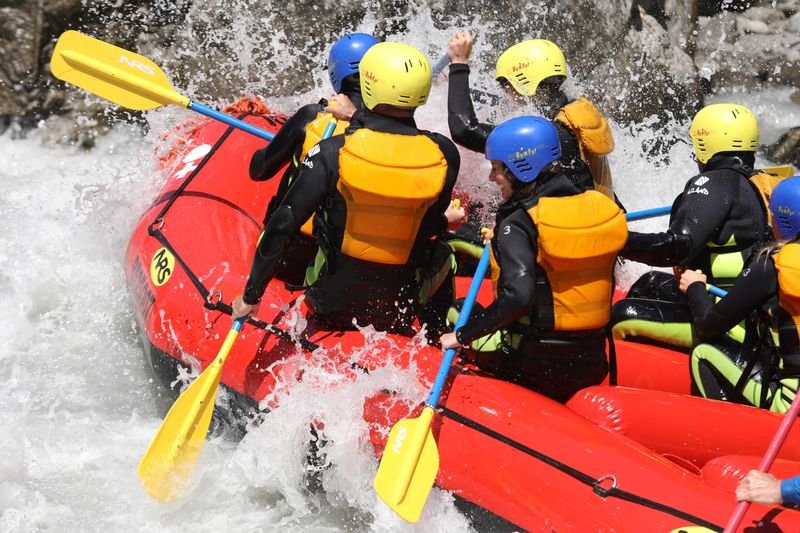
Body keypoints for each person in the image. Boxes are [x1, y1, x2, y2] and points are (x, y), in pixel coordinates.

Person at [232, 42, 463, 336]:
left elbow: (283, 224)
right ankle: (434, 337)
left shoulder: (333, 152)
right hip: (397, 310)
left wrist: (251, 296)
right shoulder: (445, 153)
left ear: (369, 88)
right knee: (443, 252)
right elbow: (429, 228)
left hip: (328, 302)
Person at [439, 116, 628, 402]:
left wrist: (462, 336)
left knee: (456, 310)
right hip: (591, 365)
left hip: (530, 367)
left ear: (519, 169)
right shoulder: (601, 209)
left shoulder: (518, 223)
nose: (492, 178)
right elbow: (652, 248)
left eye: (497, 168)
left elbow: (519, 296)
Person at [611, 103, 774, 350]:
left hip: (725, 320)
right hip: (741, 307)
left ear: (705, 145)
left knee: (623, 315)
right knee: (649, 283)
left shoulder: (716, 182)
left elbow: (677, 247)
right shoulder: (760, 181)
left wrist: (614, 241)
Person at [248, 33, 378, 285]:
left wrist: (271, 148)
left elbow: (259, 170)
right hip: (346, 262)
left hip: (290, 254)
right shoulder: (392, 131)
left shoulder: (313, 116)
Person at [446, 31, 616, 200]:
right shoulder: (574, 112)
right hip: (601, 213)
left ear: (522, 84)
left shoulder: (544, 136)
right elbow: (504, 103)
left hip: (566, 222)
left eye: (507, 86)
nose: (506, 94)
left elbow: (464, 130)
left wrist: (458, 64)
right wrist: (454, 86)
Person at [678, 176, 800, 410]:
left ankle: (728, 434)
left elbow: (709, 323)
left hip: (790, 408)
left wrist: (695, 288)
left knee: (704, 352)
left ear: (783, 220)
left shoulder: (772, 266)